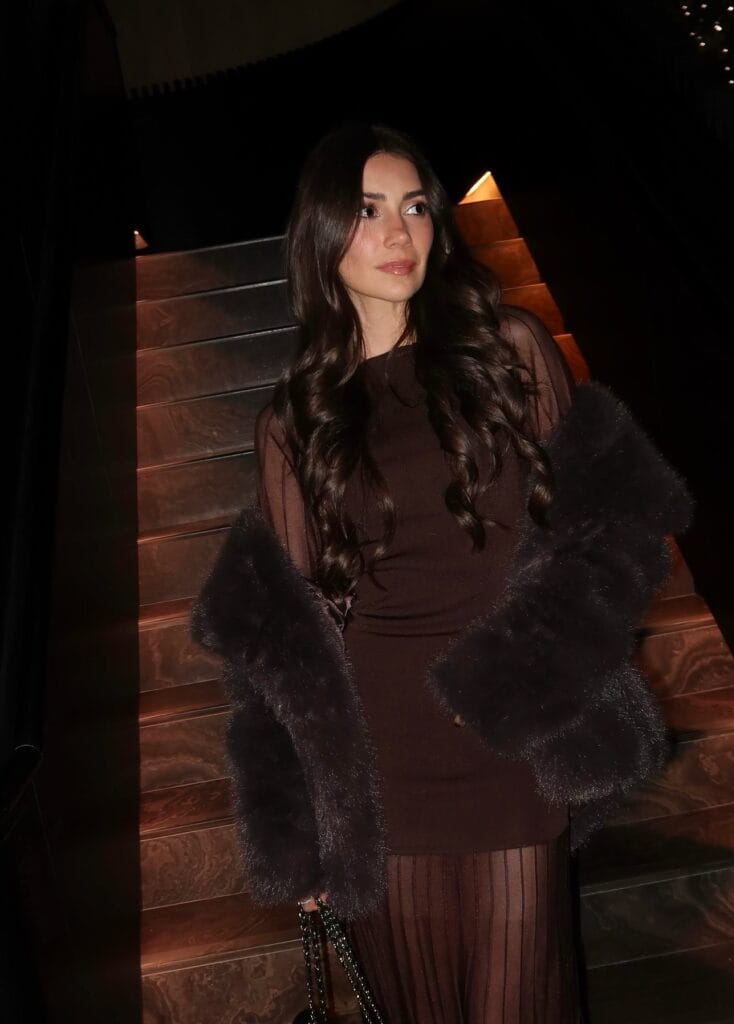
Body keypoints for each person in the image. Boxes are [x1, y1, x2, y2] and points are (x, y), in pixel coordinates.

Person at [191, 122, 695, 1023]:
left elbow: (615, 527)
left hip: (506, 742)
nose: (398, 234)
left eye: (415, 208)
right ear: (321, 239)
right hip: (380, 771)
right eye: (367, 212)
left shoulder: (508, 348)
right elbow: (286, 644)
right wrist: (300, 822)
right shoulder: (293, 422)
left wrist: (519, 675)